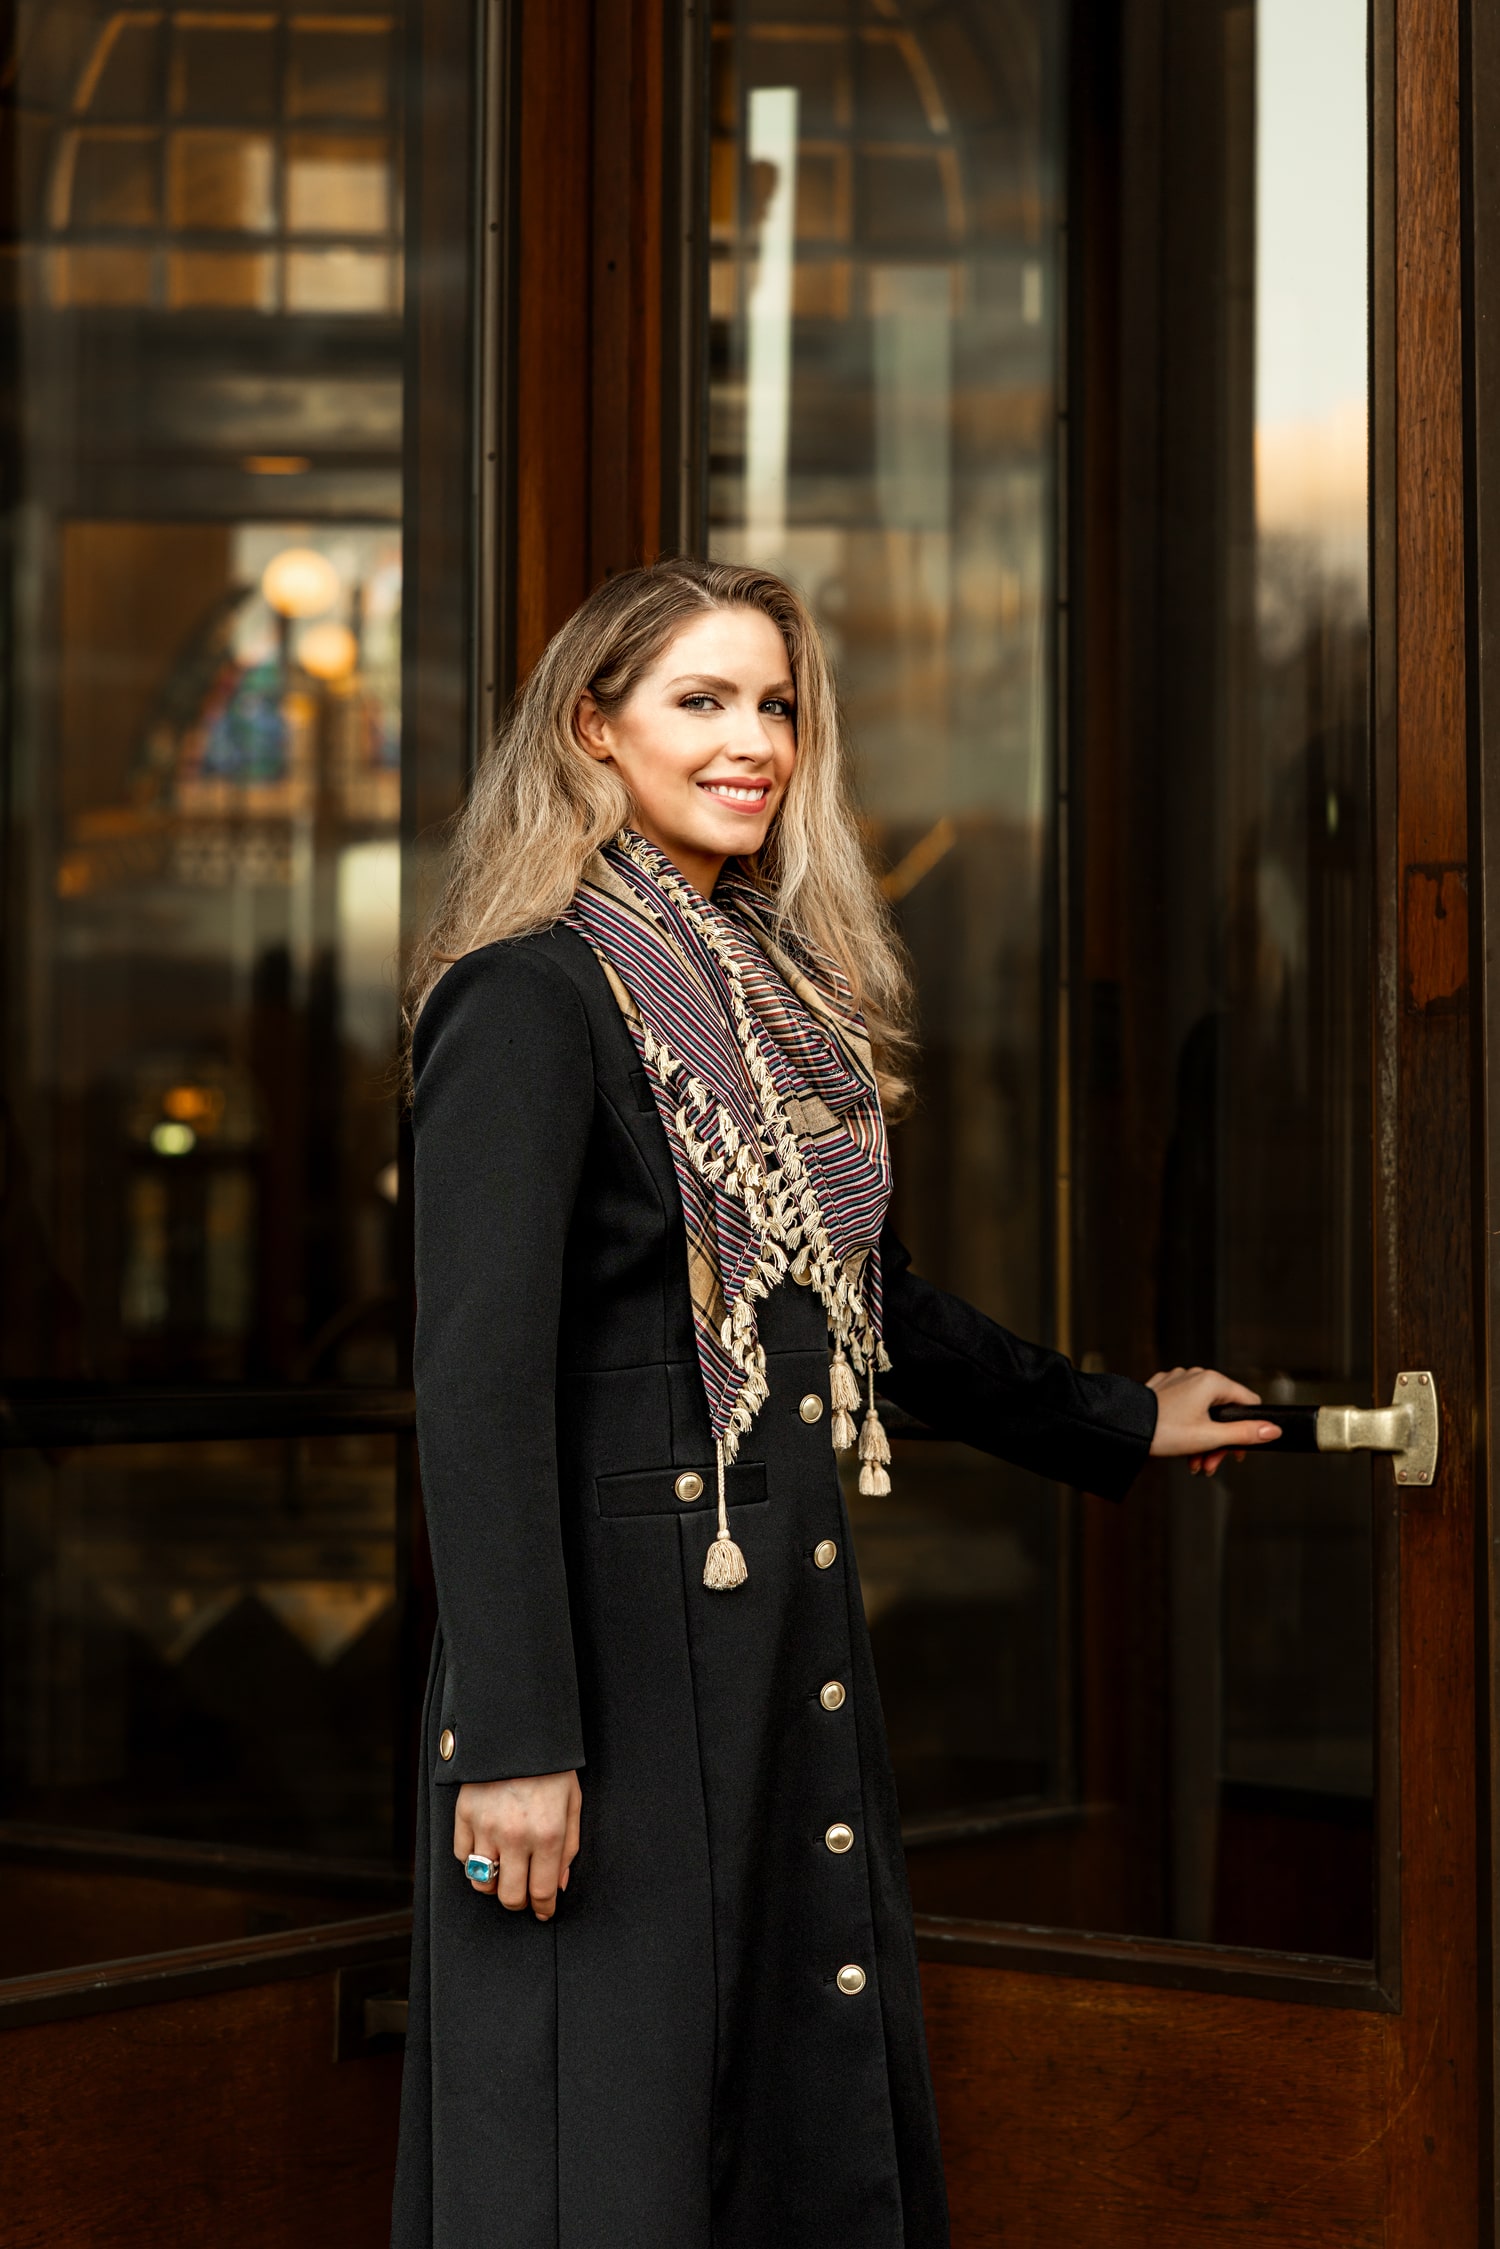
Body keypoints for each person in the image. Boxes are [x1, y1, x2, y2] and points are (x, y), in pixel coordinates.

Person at [391, 557, 1280, 2249]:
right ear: (594, 728)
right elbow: (477, 1382)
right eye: (701, 701)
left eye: (776, 704)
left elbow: (856, 1305)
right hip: (610, 1671)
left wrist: (1109, 1413)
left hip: (766, 1628)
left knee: (780, 2134)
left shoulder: (773, 1000)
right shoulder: (530, 996)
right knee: (616, 2156)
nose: (754, 743)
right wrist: (514, 1741)